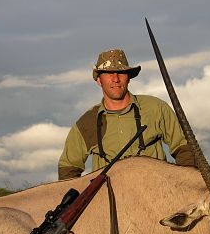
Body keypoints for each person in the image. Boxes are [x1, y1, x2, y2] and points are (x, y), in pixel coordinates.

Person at [58, 49, 196, 180]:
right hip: (108, 200)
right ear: (99, 80)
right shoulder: (86, 123)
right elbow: (68, 168)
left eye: (121, 72)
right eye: (108, 73)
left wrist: (186, 184)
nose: (115, 79)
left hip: (156, 195)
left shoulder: (156, 108)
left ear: (129, 77)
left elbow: (184, 149)